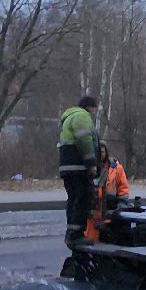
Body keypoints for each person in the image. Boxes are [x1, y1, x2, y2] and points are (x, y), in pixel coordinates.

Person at [59, 95, 99, 249]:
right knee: (84, 197)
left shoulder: (69, 117)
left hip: (67, 167)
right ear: (91, 107)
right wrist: (91, 163)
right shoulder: (82, 117)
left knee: (74, 199)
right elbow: (84, 140)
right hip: (78, 167)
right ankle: (77, 235)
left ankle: (71, 233)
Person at [82, 142, 131, 243]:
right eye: (98, 152)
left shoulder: (116, 169)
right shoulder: (88, 168)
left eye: (102, 152)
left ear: (106, 152)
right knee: (91, 241)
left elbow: (123, 188)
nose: (100, 154)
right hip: (93, 214)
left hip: (110, 211)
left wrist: (121, 206)